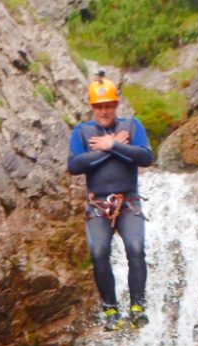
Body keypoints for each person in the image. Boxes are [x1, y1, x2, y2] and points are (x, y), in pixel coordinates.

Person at [68, 72, 153, 331]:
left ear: (116, 105)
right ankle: (110, 308)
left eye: (108, 105)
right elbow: (74, 165)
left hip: (128, 202)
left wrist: (113, 145)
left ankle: (137, 305)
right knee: (98, 253)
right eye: (99, 106)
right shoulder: (82, 132)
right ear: (92, 107)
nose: (104, 111)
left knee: (136, 248)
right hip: (99, 204)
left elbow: (145, 157)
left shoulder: (132, 126)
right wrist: (108, 148)